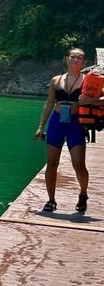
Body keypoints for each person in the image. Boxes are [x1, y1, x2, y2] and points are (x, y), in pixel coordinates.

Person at [34, 47, 89, 213]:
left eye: (79, 57)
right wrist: (41, 126)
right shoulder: (56, 80)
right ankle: (51, 200)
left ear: (84, 62)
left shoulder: (88, 80)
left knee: (79, 164)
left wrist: (91, 100)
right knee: (51, 164)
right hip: (57, 122)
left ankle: (83, 193)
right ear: (66, 58)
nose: (76, 60)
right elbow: (49, 104)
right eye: (73, 56)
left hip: (75, 123)